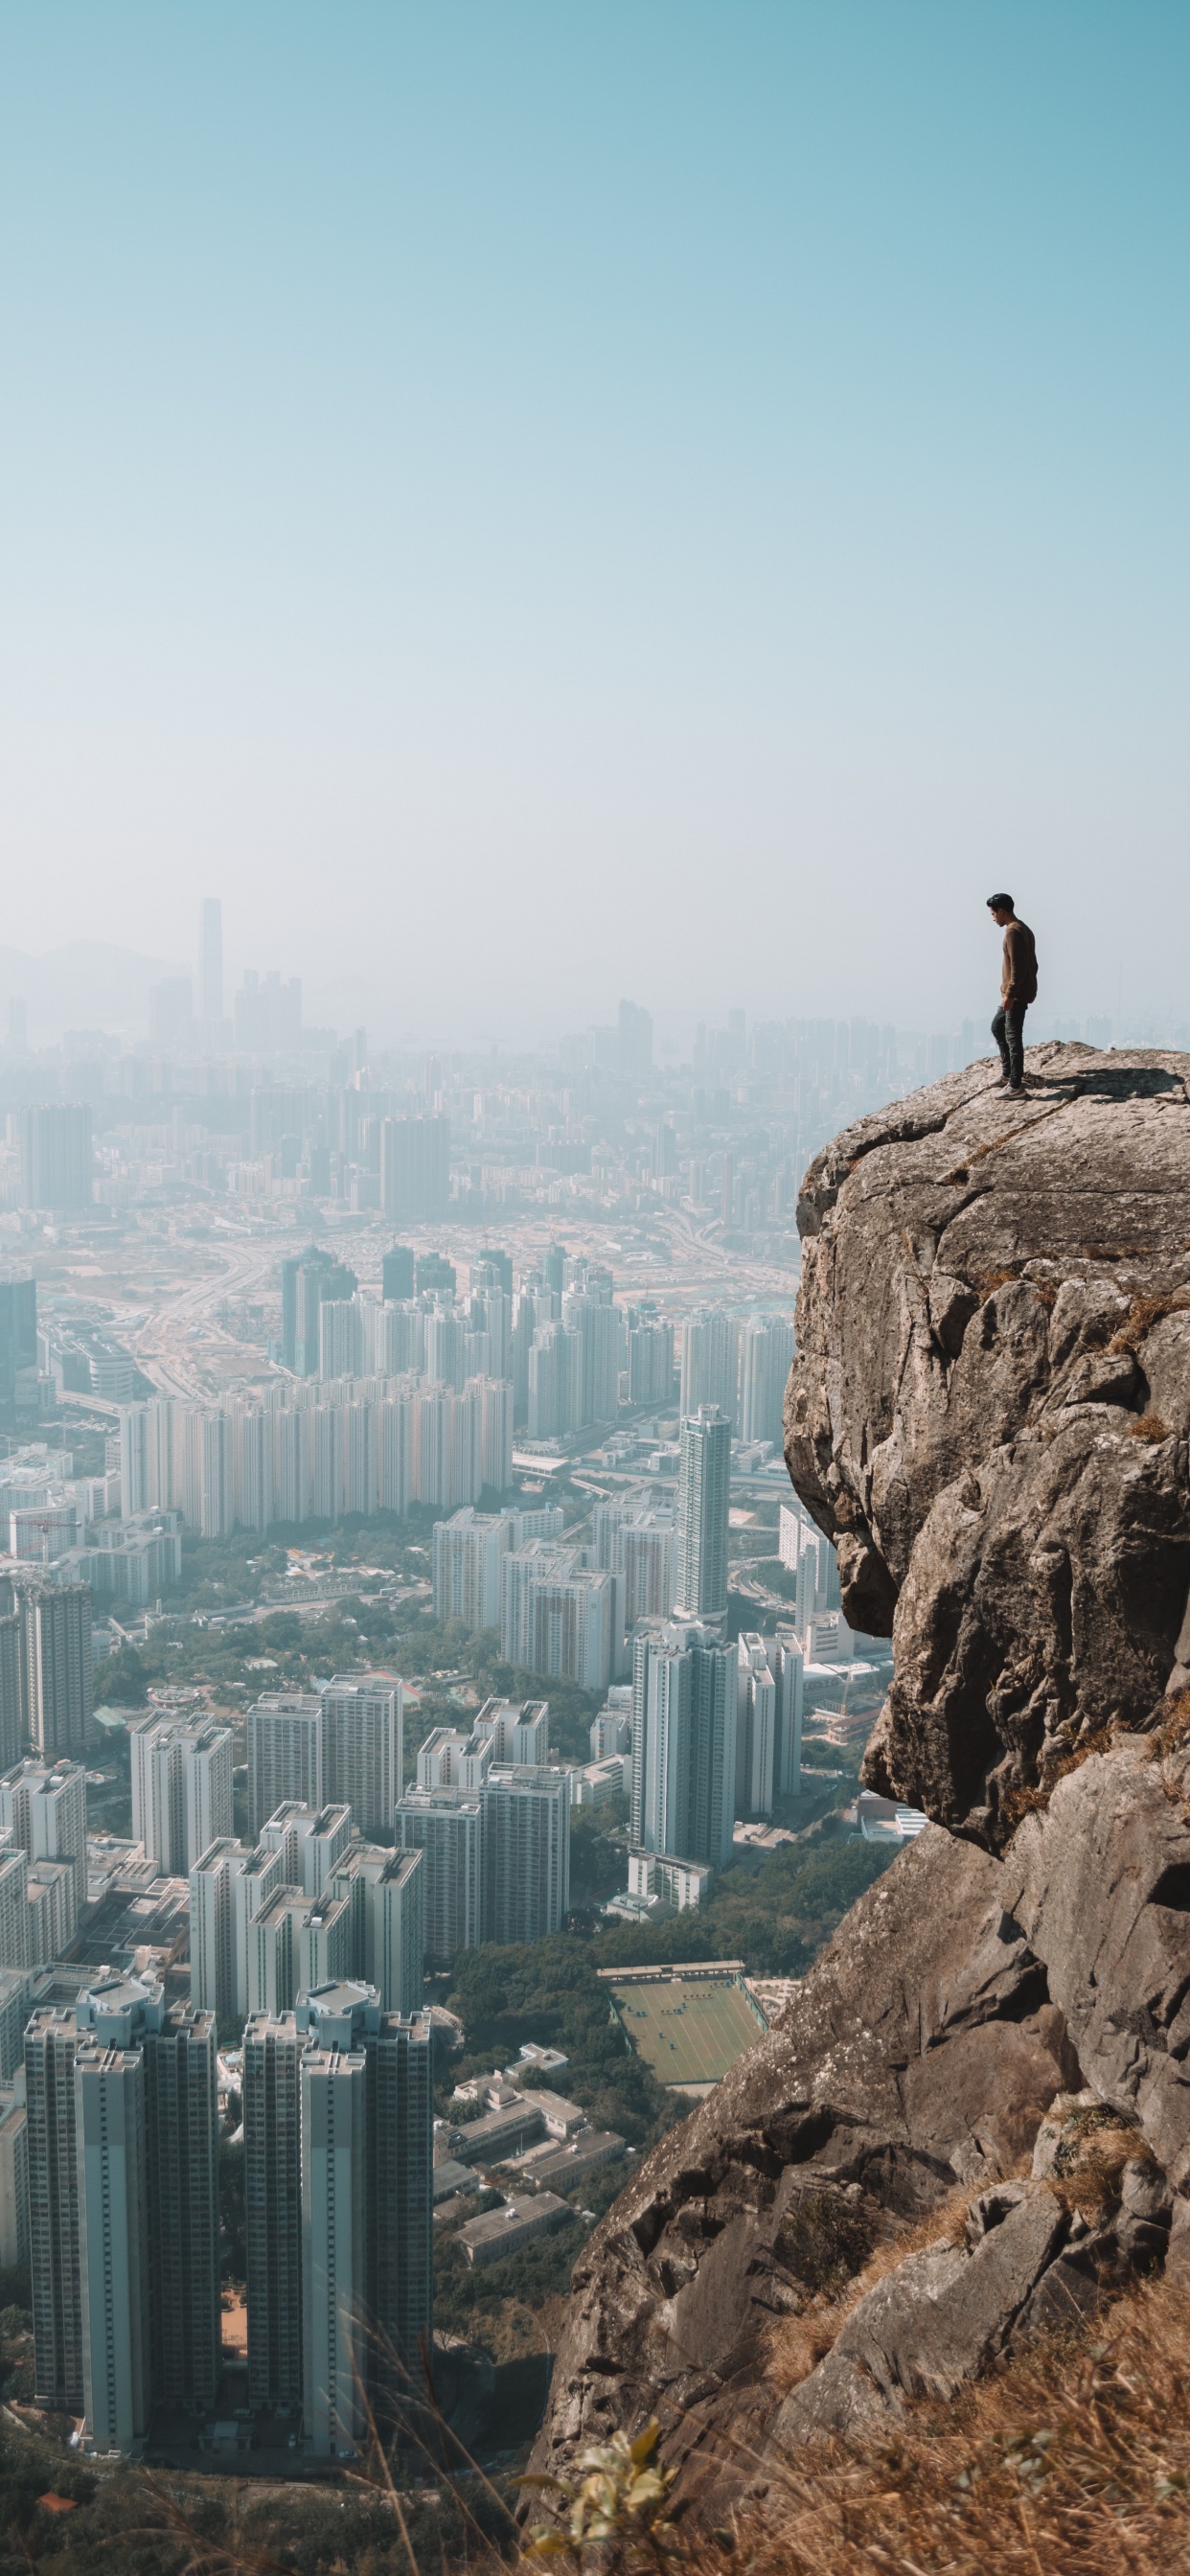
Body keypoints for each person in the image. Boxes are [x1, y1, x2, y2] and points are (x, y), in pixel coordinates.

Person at [987, 893, 1038, 1092]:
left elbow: (1018, 967)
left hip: (1015, 994)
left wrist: (1010, 994)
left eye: (993, 914)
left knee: (1013, 1036)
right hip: (1017, 991)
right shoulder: (1023, 928)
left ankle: (1015, 1085)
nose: (993, 919)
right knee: (997, 1026)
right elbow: (1033, 964)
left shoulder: (1013, 932)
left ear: (1001, 911)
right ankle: (1008, 1074)